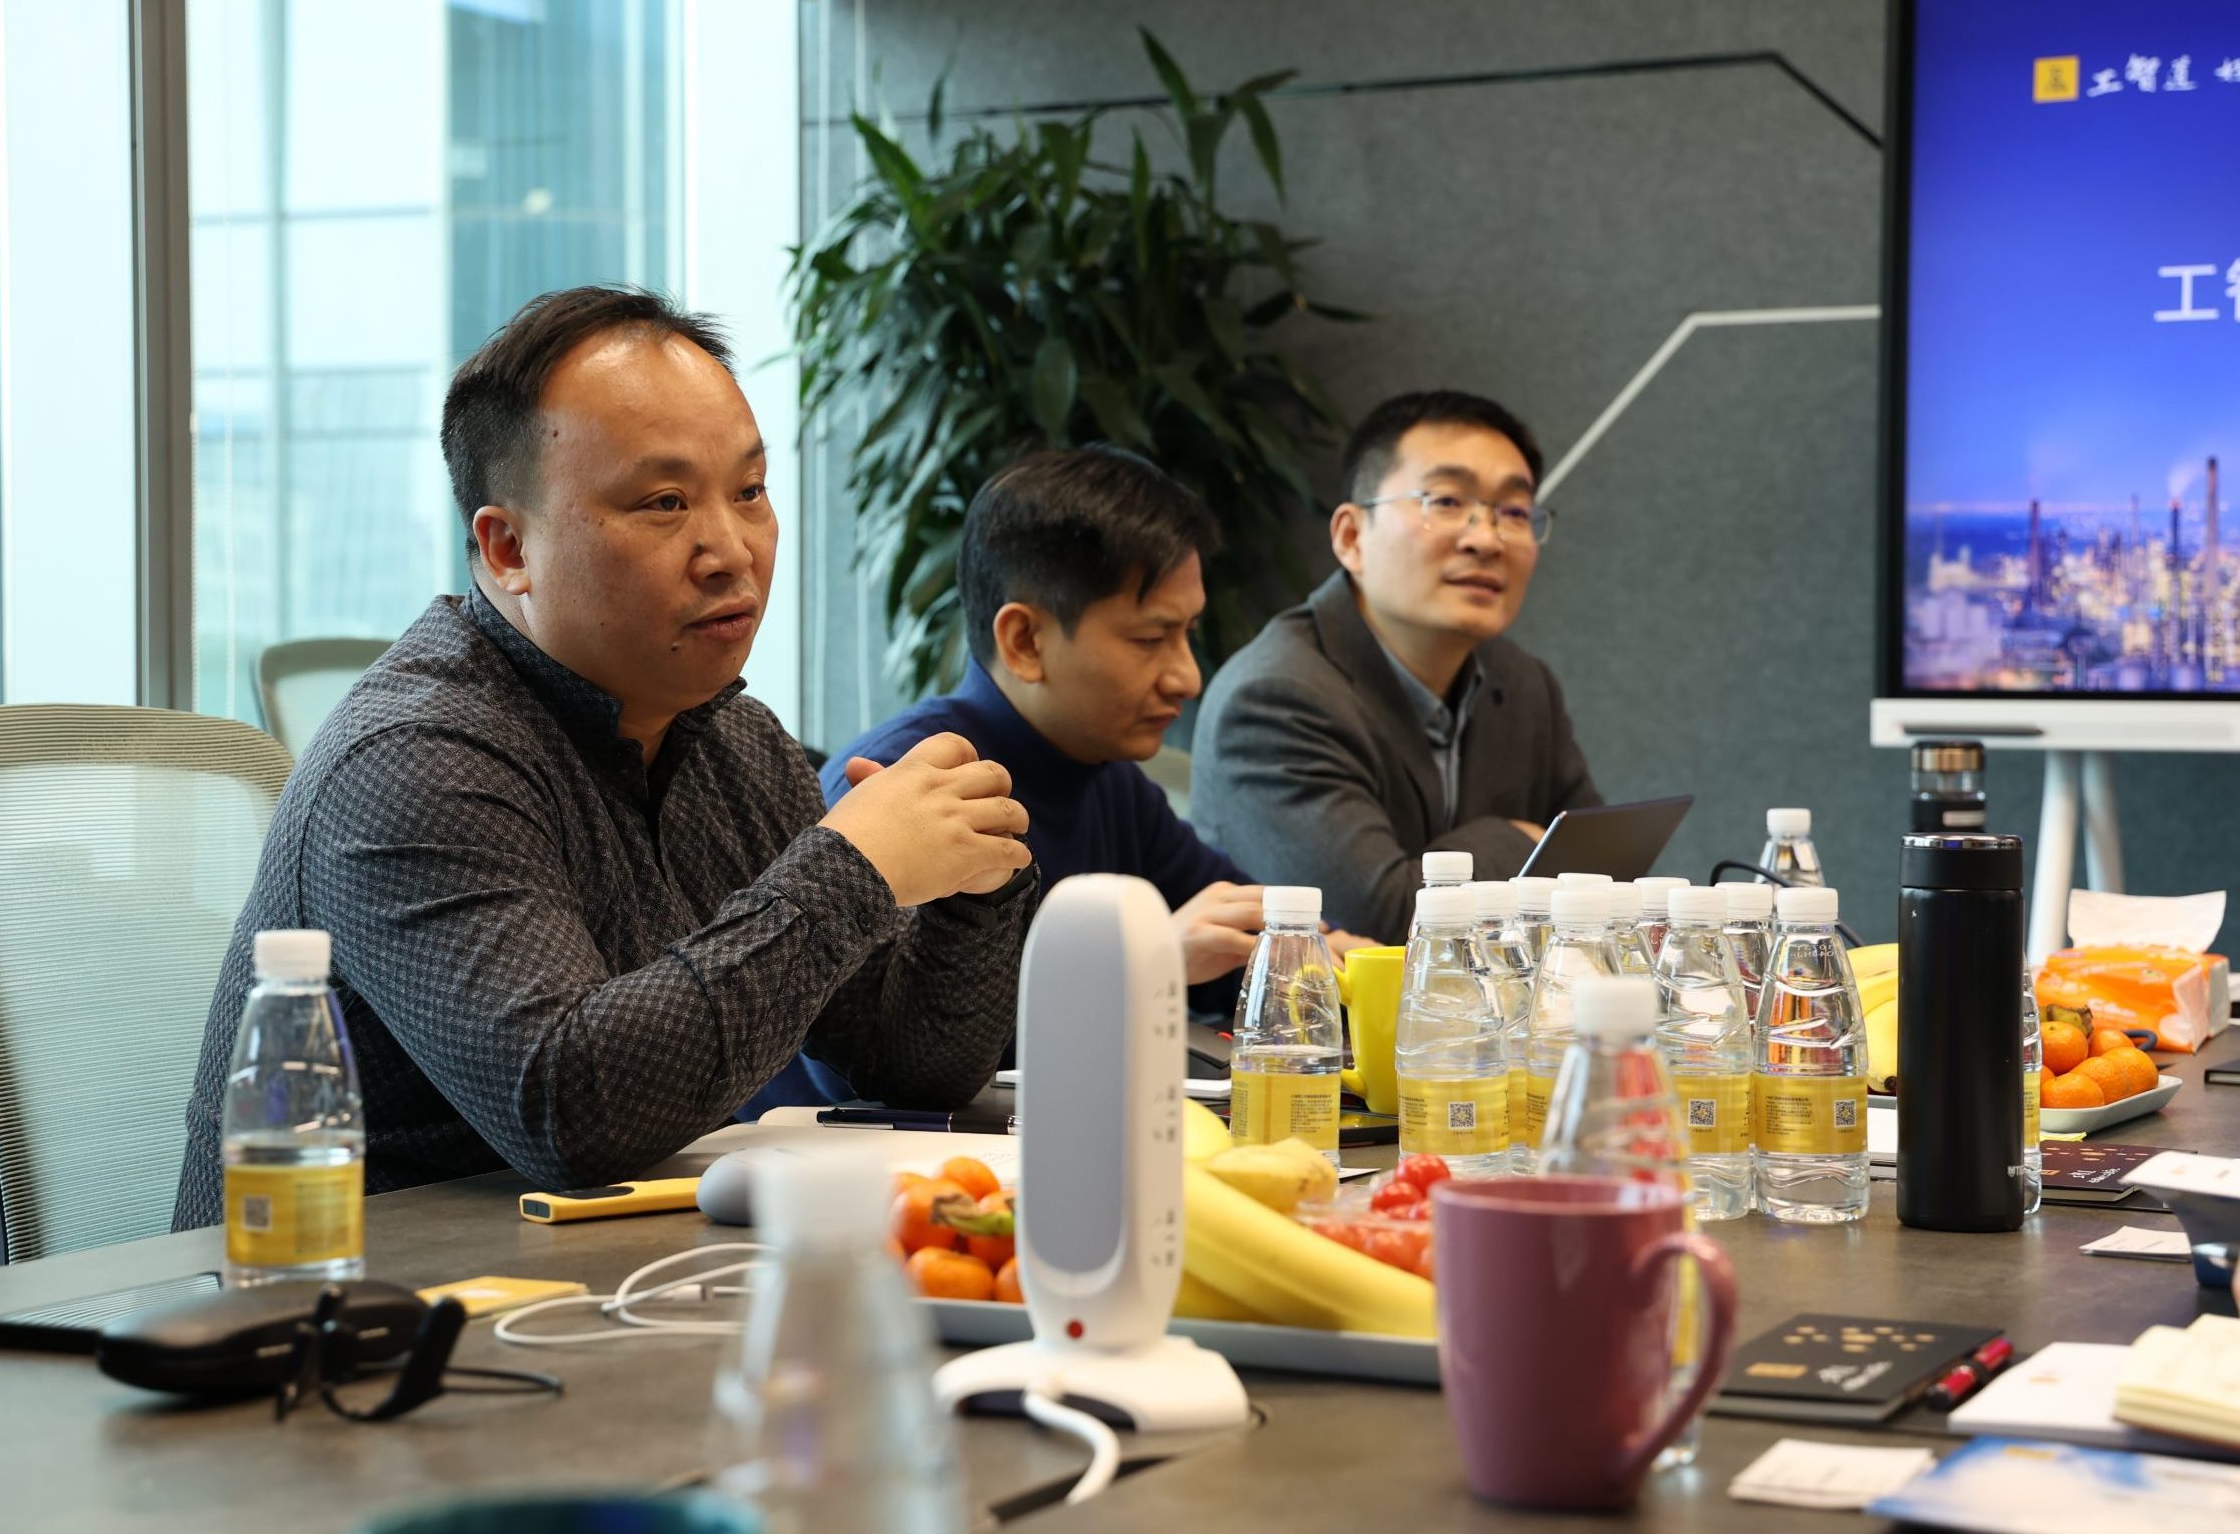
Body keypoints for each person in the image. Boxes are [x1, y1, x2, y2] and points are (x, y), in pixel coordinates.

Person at [173, 286, 1035, 1228]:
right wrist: (851, 870)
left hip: (603, 1281)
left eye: (750, 491)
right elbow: (571, 1112)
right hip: (347, 1296)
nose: (731, 549)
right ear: (509, 547)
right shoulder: (412, 758)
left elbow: (909, 1064)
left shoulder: (733, 740)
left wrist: (970, 891)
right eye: (665, 502)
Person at [746, 446, 1269, 1113]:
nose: (1187, 677)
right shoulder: (902, 782)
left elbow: (1228, 932)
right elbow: (866, 1075)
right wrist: (1142, 968)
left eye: (1188, 633)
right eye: (1149, 639)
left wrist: (1303, 947)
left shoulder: (1103, 775)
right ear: (1024, 641)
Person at [1191, 390, 1600, 944]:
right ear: (1351, 537)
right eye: (1446, 501)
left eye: (1513, 512)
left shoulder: (1523, 682)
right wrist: (1520, 841)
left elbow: (1602, 874)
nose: (1486, 539)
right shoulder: (1276, 697)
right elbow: (1375, 925)